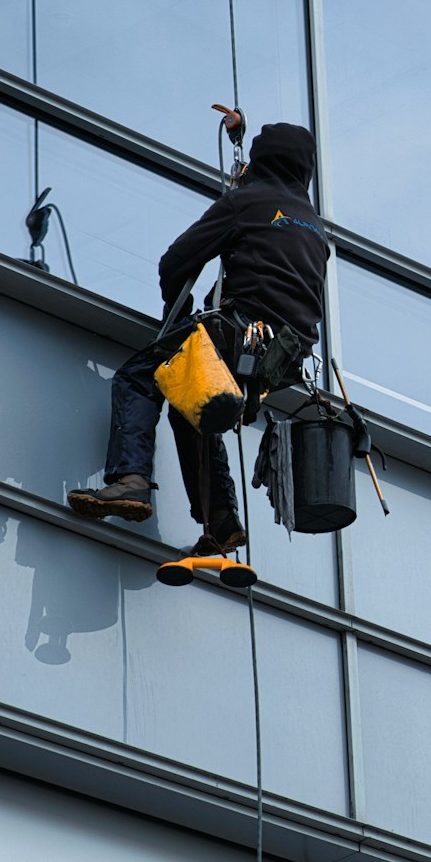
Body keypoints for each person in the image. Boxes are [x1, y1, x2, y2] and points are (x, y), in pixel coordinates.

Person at [67, 120, 329, 554]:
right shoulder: (316, 230)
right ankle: (222, 520)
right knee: (189, 408)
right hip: (285, 360)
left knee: (142, 376)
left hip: (240, 333)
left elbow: (176, 261)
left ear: (261, 161)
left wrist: (179, 317)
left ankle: (130, 480)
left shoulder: (246, 201)